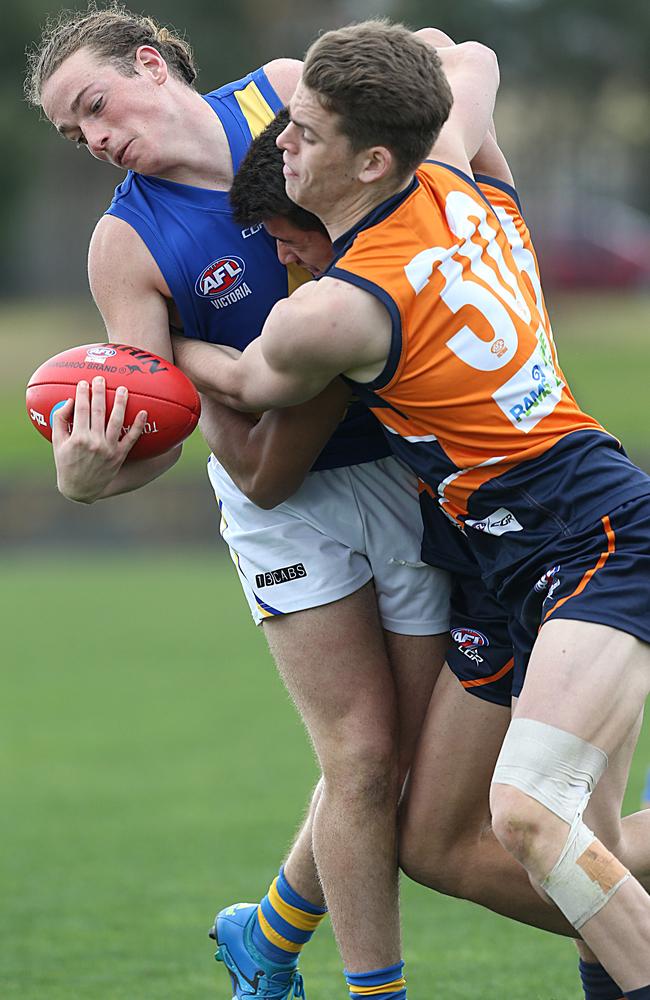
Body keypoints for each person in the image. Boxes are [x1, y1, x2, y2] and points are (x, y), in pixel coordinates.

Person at [170, 21, 650, 998]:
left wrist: (156, 353)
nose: (283, 142)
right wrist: (401, 59)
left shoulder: (330, 311)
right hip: (502, 554)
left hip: (585, 526)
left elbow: (250, 389)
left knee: (527, 817)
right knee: (506, 845)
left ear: (370, 157)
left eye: (304, 131)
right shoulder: (439, 166)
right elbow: (468, 58)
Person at [26, 9, 466, 999]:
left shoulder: (282, 95)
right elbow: (155, 425)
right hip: (279, 496)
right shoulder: (123, 242)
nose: (93, 139)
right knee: (356, 759)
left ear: (150, 63)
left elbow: (429, 116)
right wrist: (88, 479)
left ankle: (266, 931)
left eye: (93, 107)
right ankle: (371, 991)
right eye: (72, 134)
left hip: (401, 460)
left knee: (401, 768)